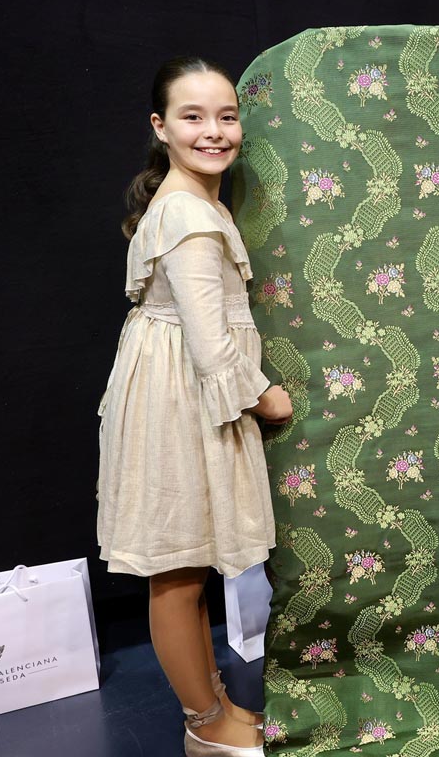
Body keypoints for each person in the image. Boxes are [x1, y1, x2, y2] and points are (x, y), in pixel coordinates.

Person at [97, 56, 292, 756]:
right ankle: (205, 725)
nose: (214, 130)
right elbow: (212, 346)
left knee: (192, 561)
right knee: (178, 572)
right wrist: (265, 395)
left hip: (176, 388)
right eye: (193, 116)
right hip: (179, 397)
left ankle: (209, 699)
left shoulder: (198, 201)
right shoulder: (185, 210)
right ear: (161, 127)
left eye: (227, 115)